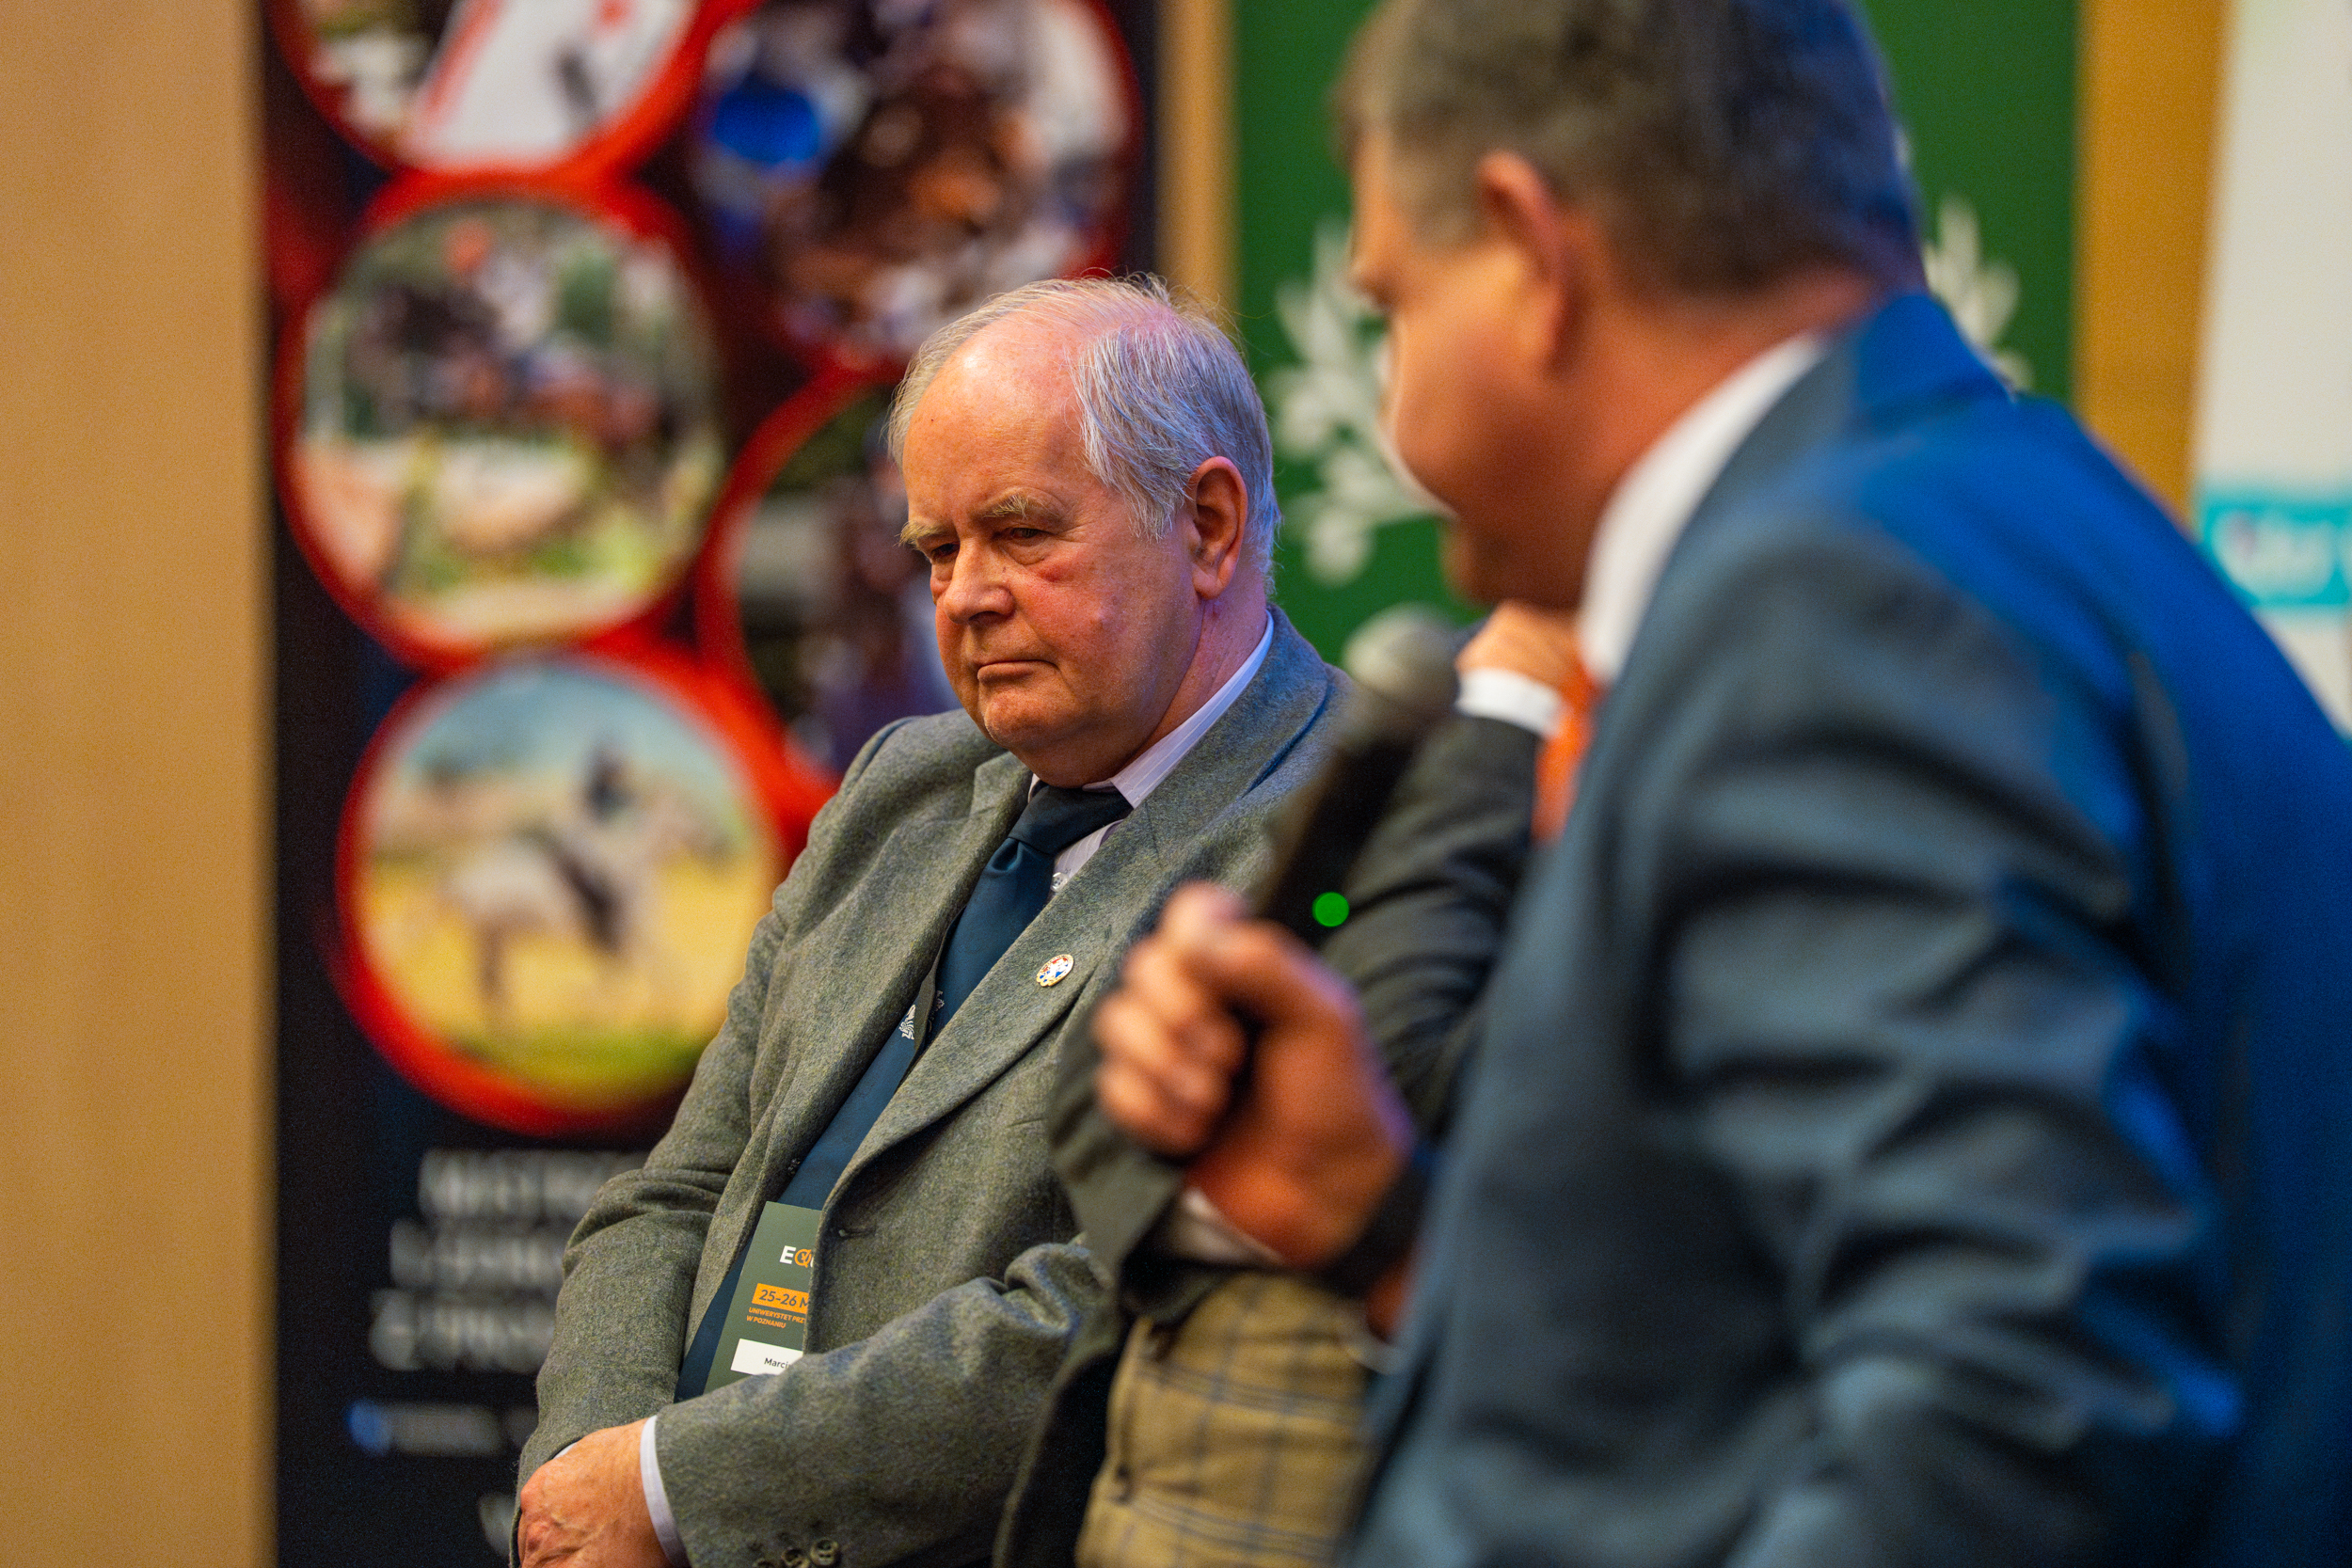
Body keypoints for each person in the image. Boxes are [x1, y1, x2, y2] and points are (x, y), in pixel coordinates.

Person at [1088, 3, 2352, 1566]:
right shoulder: (2005, 517)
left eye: (1394, 307)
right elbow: (1795, 1345)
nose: (1396, 419)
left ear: (1530, 251)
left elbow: (2017, 1406)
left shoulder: (1833, 599)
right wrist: (1383, 1222)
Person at [515, 274, 1345, 1568]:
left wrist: (676, 1494)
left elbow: (1115, 1307)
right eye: (938, 550)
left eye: (1019, 533)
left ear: (1207, 525)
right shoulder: (899, 786)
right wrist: (590, 1481)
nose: (962, 596)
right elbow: (674, 1192)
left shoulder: (1342, 838)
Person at [1000, 605, 1583, 1568]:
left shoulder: (1505, 733)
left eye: (1026, 536)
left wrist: (1506, 707)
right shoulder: (1426, 727)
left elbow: (1389, 1077)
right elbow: (1102, 1110)